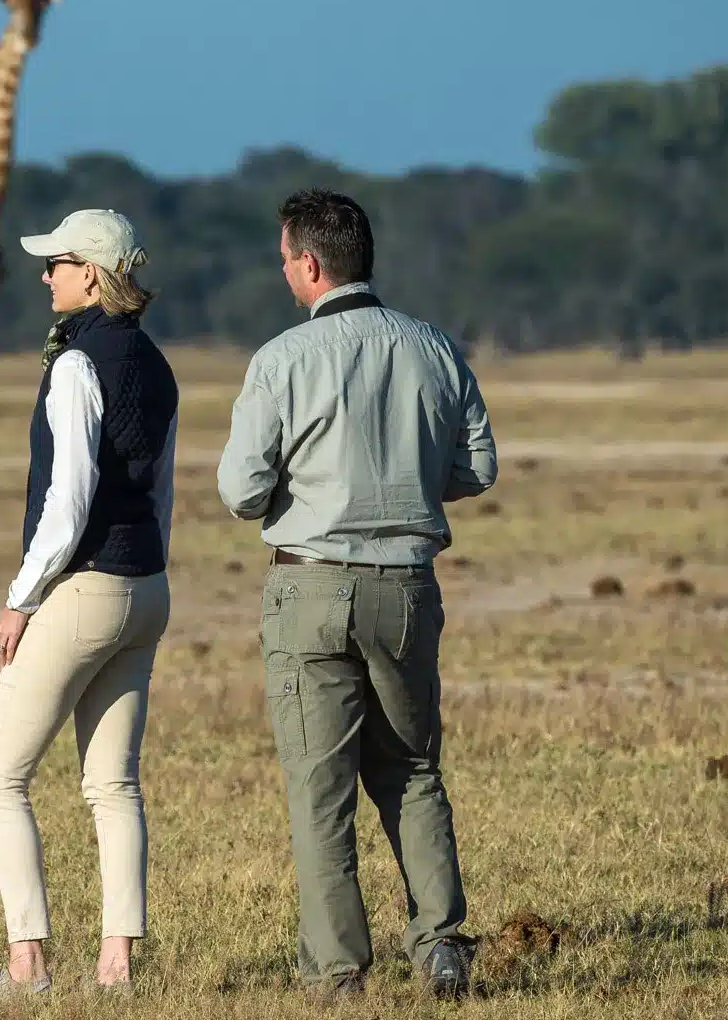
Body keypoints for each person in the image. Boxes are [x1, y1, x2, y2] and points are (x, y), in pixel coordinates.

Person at [215, 190, 497, 1001]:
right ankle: (441, 945)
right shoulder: (434, 347)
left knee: (320, 790)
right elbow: (478, 466)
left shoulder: (279, 360)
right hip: (408, 587)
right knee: (412, 769)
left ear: (309, 265)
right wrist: (412, 485)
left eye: (283, 260)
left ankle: (337, 972)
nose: (282, 272)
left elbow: (241, 489)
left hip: (308, 586)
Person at [0, 209, 179, 995]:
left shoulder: (75, 364)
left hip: (83, 587)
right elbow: (159, 492)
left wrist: (20, 599)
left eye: (55, 262)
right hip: (146, 586)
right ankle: (116, 970)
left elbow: (69, 501)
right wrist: (150, 570)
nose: (46, 274)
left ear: (91, 273)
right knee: (113, 784)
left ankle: (28, 966)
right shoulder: (157, 363)